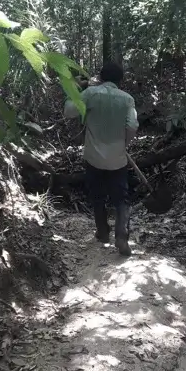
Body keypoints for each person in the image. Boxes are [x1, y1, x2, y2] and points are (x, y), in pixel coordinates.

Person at [64, 62, 139, 256]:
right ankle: (122, 233)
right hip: (118, 158)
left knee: (97, 196)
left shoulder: (90, 93)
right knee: (121, 198)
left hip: (93, 157)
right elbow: (132, 126)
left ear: (101, 77)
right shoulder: (128, 99)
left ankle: (103, 233)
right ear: (120, 80)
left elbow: (69, 111)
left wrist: (75, 89)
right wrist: (124, 144)